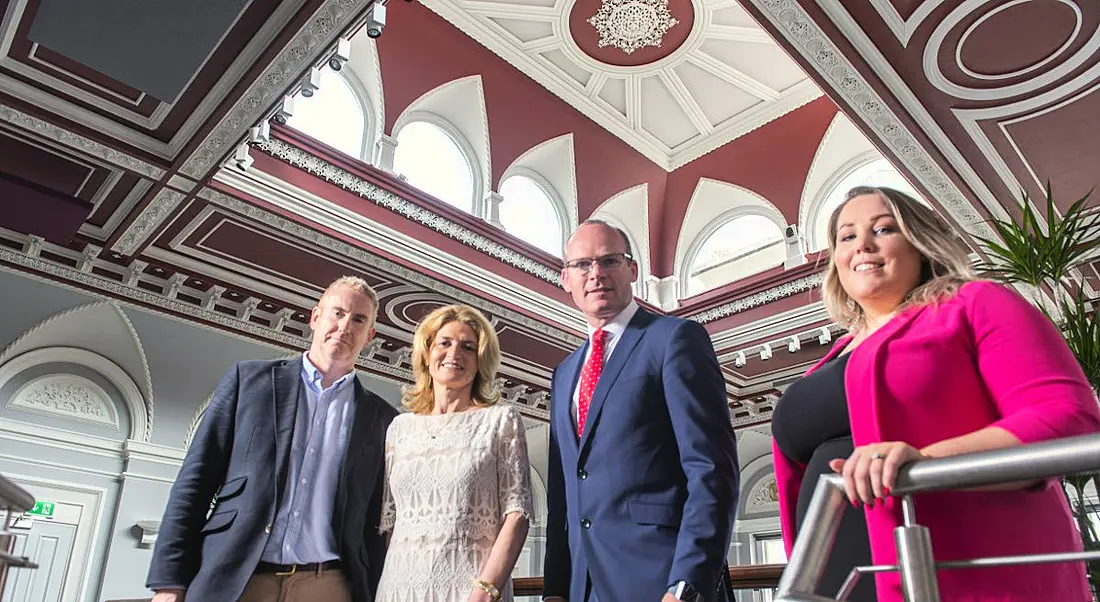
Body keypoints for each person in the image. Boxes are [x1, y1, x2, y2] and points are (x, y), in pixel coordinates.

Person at [772, 186, 1100, 601]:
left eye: (884, 229)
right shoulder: (832, 358)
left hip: (951, 574)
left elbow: (1066, 417)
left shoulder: (976, 303)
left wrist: (925, 461)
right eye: (847, 236)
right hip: (833, 580)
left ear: (920, 242)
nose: (863, 246)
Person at [146, 276, 398, 602]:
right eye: (337, 313)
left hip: (328, 585)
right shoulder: (249, 382)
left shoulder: (382, 418)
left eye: (358, 319)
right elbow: (194, 483)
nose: (345, 326)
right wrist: (169, 582)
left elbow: (374, 523)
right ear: (315, 317)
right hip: (239, 578)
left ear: (370, 336)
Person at [543, 220, 740, 602]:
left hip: (661, 580)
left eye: (609, 261)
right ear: (565, 279)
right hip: (584, 588)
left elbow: (712, 469)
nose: (596, 274)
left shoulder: (674, 339)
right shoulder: (564, 373)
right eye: (583, 265)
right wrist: (555, 589)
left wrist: (686, 584)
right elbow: (562, 494)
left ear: (632, 270)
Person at [376, 304, 532, 602]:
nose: (454, 353)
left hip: (469, 592)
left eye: (468, 347)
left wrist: (486, 591)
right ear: (427, 352)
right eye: (444, 343)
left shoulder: (500, 421)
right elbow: (391, 525)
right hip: (399, 589)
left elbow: (517, 515)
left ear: (480, 361)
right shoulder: (399, 429)